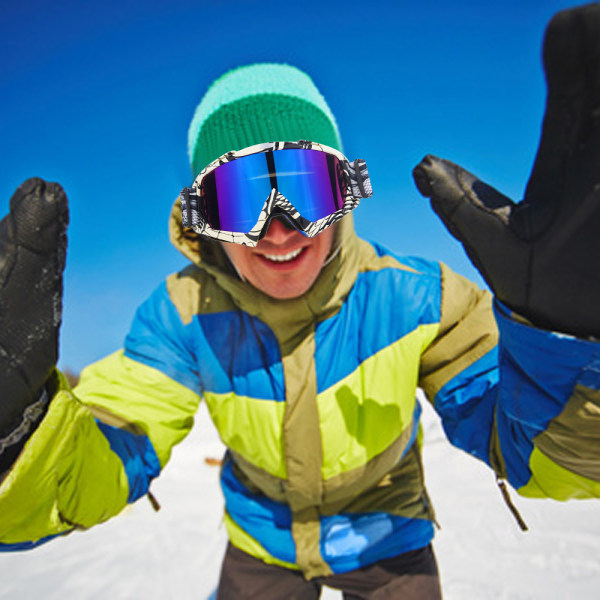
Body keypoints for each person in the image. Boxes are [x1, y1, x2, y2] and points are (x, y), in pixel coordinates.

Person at [1, 4, 599, 599]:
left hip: (389, 535)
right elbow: (117, 436)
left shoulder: (421, 298)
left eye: (305, 190)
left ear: (344, 194)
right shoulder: (183, 313)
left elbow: (533, 450)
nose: (279, 229)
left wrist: (573, 348)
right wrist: (17, 441)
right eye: (242, 201)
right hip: (264, 543)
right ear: (206, 222)